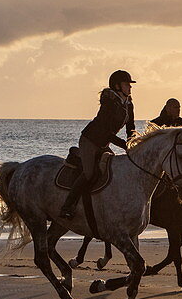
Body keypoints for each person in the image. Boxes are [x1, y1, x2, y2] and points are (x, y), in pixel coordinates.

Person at [58, 70, 137, 219]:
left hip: (103, 143)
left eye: (130, 85)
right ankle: (67, 206)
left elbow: (130, 127)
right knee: (90, 174)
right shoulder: (109, 103)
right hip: (90, 141)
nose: (130, 87)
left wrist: (133, 143)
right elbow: (106, 131)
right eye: (127, 84)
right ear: (117, 86)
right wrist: (124, 145)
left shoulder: (128, 104)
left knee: (113, 171)